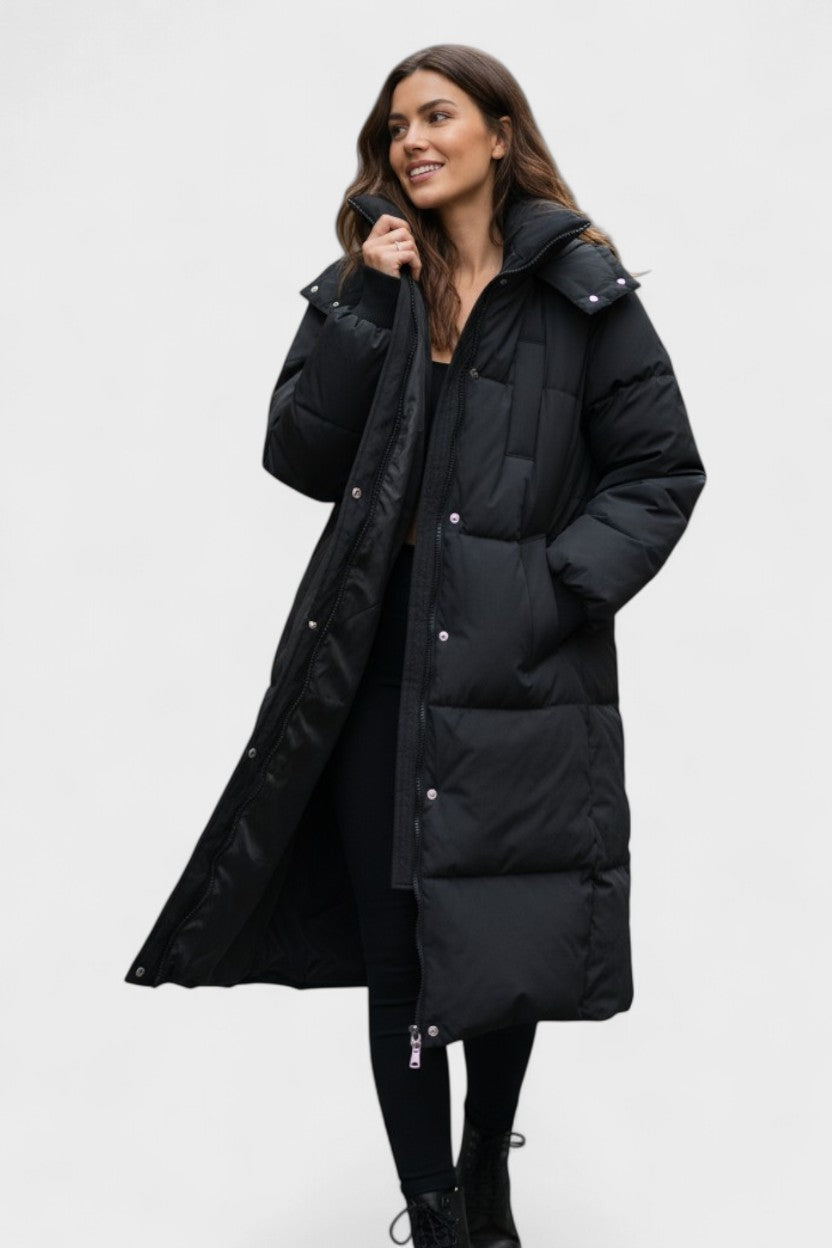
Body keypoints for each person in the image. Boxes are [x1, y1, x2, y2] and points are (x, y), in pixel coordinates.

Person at [126, 43, 706, 1248]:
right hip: (376, 652)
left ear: (500, 133)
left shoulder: (582, 291)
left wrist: (549, 591)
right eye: (395, 126)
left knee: (501, 927)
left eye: (436, 116)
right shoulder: (373, 278)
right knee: (399, 937)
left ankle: (485, 1164)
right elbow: (299, 455)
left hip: (518, 666)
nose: (411, 142)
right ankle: (435, 1215)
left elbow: (660, 469)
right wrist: (363, 296)